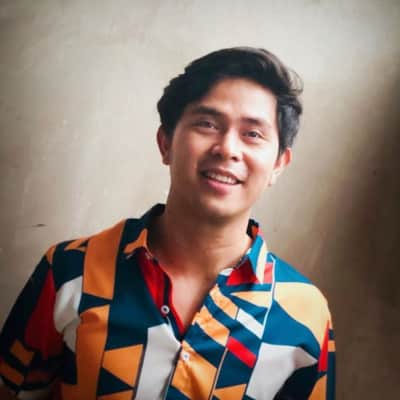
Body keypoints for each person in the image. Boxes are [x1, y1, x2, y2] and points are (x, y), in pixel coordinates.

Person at [0, 47, 335, 400]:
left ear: (279, 164)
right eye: (207, 124)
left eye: (252, 133)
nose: (227, 149)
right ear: (165, 144)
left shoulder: (304, 314)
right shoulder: (70, 270)